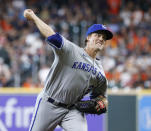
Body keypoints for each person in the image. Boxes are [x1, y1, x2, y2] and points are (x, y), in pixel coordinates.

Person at [23, 9, 113, 131]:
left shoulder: (100, 73)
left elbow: (101, 98)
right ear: (88, 38)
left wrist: (101, 103)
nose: (101, 39)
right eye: (97, 35)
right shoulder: (71, 51)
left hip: (72, 109)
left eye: (104, 37)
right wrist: (34, 17)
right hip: (49, 103)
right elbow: (52, 35)